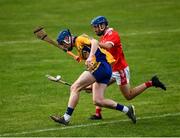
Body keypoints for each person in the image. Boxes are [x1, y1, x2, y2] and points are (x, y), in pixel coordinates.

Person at [50, 29, 136, 125]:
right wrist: (80, 57)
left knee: (74, 87)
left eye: (62, 43)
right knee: (98, 100)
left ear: (67, 39)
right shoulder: (78, 47)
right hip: (106, 69)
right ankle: (127, 109)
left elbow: (94, 42)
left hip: (101, 65)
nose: (62, 46)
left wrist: (90, 57)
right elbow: (87, 56)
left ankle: (66, 118)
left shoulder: (79, 39)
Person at [89, 16, 166, 120]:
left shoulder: (113, 35)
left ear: (102, 26)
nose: (95, 29)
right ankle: (98, 113)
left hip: (120, 70)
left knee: (128, 96)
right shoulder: (104, 37)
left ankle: (151, 82)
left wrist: (96, 43)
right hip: (110, 69)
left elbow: (108, 46)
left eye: (96, 27)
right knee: (96, 86)